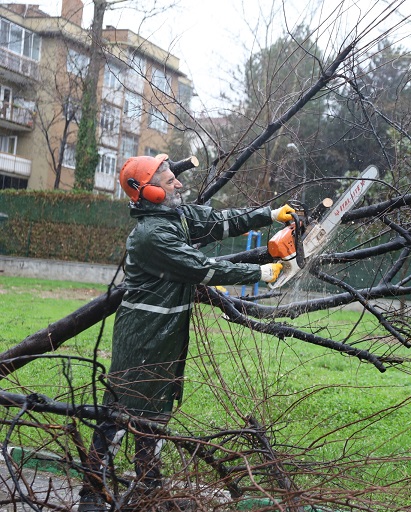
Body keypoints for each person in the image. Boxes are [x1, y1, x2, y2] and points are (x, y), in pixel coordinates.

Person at [78, 154, 293, 511]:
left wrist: (269, 215)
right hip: (142, 339)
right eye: (168, 181)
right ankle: (91, 495)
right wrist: (260, 273)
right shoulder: (151, 235)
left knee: (154, 420)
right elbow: (200, 268)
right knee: (118, 416)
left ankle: (148, 491)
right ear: (151, 193)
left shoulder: (174, 217)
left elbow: (219, 221)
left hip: (166, 338)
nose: (178, 183)